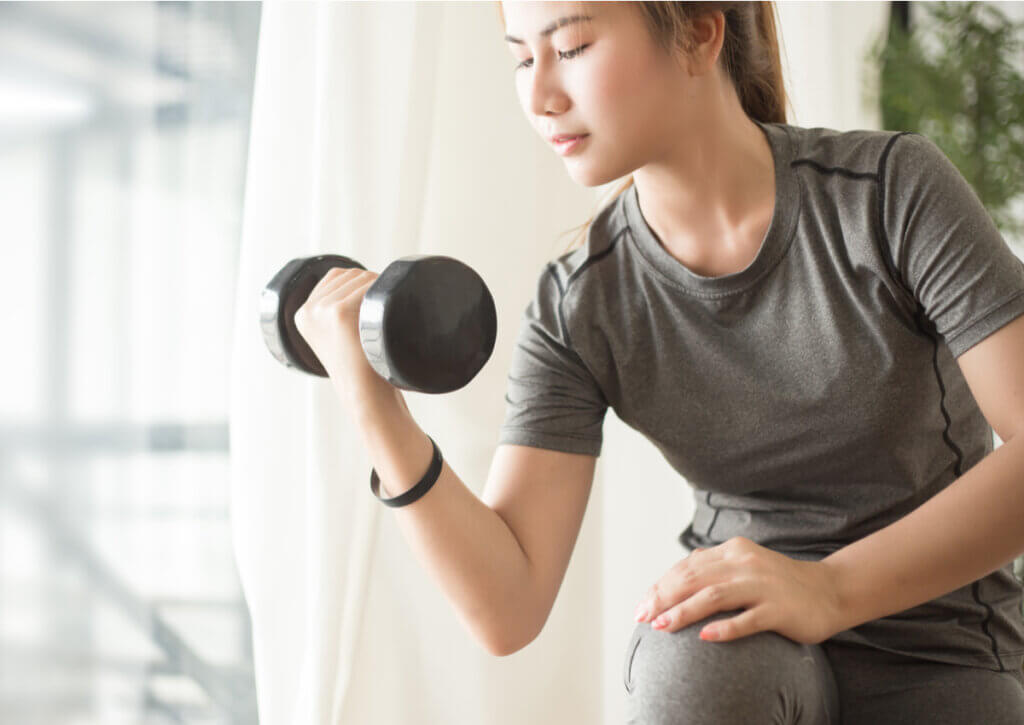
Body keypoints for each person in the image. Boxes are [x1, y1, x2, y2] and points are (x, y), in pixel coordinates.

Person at [293, 1, 1024, 723]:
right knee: (693, 667)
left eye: (572, 48)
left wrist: (825, 587)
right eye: (522, 57)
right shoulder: (581, 303)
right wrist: (373, 403)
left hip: (937, 642)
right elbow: (508, 605)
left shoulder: (889, 194)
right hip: (739, 636)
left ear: (700, 35)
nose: (541, 95)